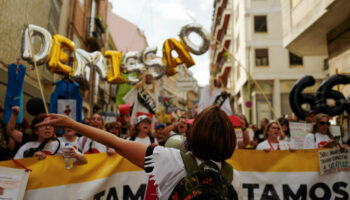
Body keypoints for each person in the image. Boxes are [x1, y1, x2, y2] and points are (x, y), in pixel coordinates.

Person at [36, 105, 243, 199]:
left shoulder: (169, 159)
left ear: (195, 132)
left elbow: (116, 143)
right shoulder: (235, 178)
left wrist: (72, 123)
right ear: (230, 139)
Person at [14, 115, 87, 166]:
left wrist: (76, 155)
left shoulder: (62, 145)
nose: (48, 127)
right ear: (36, 131)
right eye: (43, 125)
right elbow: (15, 165)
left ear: (53, 130)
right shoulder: (28, 146)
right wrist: (32, 160)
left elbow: (84, 161)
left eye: (51, 125)